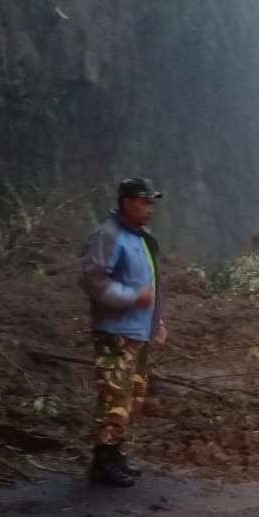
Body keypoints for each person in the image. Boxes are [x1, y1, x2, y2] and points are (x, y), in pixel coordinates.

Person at [78, 177, 167, 487]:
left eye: (151, 203)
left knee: (130, 398)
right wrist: (131, 298)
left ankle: (115, 453)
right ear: (127, 202)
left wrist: (156, 322)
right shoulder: (108, 235)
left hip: (137, 331)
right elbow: (92, 280)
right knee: (113, 396)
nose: (149, 209)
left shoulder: (140, 236)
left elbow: (150, 283)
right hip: (115, 332)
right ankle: (102, 461)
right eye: (144, 202)